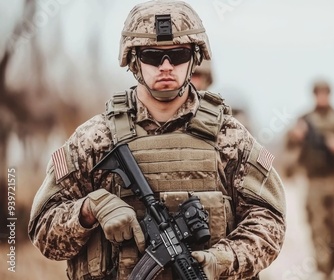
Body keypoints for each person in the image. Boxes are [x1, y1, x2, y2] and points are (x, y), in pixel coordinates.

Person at [28, 1, 286, 279]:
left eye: (178, 54)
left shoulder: (230, 138)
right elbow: (43, 231)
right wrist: (88, 210)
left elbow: (270, 223)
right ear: (134, 60)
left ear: (195, 58)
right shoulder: (94, 139)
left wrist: (222, 260)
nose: (165, 66)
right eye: (152, 56)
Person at [285, 80, 334, 280]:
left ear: (329, 94)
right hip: (314, 181)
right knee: (317, 225)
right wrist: (296, 136)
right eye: (318, 93)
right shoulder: (305, 120)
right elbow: (289, 144)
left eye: (325, 93)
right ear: (314, 95)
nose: (321, 97)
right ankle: (323, 268)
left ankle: (331, 265)